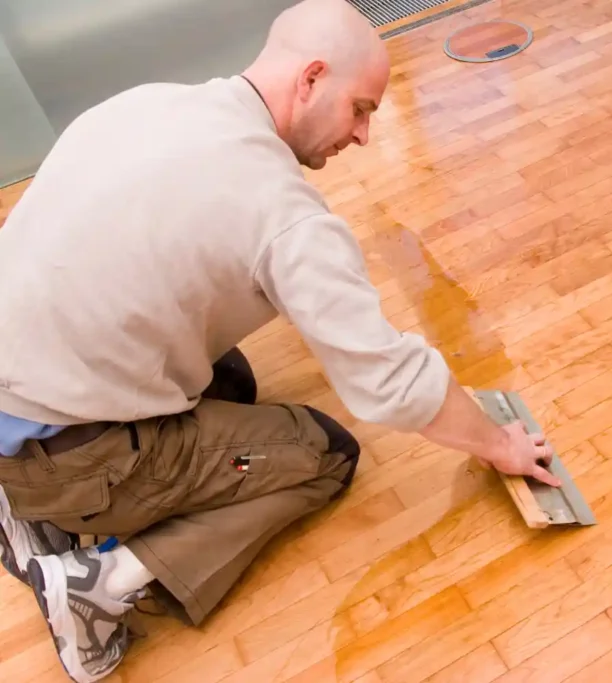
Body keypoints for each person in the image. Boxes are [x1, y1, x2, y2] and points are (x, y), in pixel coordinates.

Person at [0, 1, 560, 681]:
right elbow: (388, 381)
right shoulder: (282, 212)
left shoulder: (147, 103)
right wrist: (499, 442)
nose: (361, 135)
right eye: (361, 109)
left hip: (15, 387)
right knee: (323, 452)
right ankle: (100, 584)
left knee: (230, 380)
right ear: (311, 78)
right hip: (69, 455)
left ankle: (29, 504)